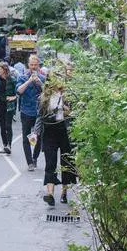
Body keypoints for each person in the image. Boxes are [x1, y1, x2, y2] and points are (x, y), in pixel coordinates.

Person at [34, 74, 76, 206]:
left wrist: (65, 109)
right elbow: (40, 116)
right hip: (49, 131)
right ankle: (50, 194)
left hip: (64, 130)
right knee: (50, 162)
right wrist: (36, 132)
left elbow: (74, 114)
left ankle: (64, 193)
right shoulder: (44, 97)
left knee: (66, 162)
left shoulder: (68, 96)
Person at [16, 54, 45, 171]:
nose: (33, 67)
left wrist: (40, 83)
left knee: (38, 137)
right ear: (28, 65)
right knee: (26, 137)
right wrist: (29, 81)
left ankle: (35, 157)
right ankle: (29, 163)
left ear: (38, 66)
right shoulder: (22, 77)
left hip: (39, 112)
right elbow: (19, 91)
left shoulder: (43, 78)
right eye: (31, 65)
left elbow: (48, 93)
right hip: (26, 111)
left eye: (35, 65)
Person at [0, 62, 17, 154]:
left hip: (9, 105)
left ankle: (9, 145)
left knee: (8, 125)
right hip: (0, 104)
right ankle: (5, 145)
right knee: (2, 126)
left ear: (4, 70)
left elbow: (17, 92)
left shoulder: (12, 80)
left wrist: (13, 97)